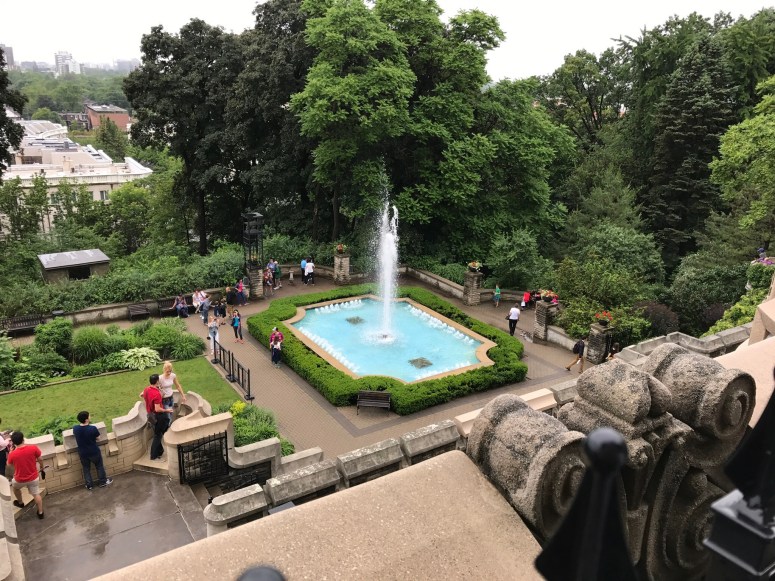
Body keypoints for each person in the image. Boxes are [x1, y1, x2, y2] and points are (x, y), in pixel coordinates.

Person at [7, 431, 45, 519]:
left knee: (15, 488)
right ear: (23, 439)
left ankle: (20, 503)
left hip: (19, 479)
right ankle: (40, 513)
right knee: (36, 494)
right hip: (33, 477)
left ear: (13, 443)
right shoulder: (33, 448)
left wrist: (10, 452)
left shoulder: (12, 454)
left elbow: (9, 465)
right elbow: (40, 459)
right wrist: (41, 467)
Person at [73, 411, 112, 490]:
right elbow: (98, 438)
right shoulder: (92, 428)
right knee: (99, 466)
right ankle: (103, 482)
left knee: (86, 469)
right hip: (94, 451)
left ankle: (89, 485)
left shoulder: (75, 428)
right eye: (89, 416)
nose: (90, 417)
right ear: (86, 419)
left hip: (83, 453)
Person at [141, 374, 173, 461]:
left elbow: (142, 395)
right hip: (158, 416)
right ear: (157, 381)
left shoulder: (146, 389)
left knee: (157, 433)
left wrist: (159, 389)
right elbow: (157, 409)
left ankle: (160, 451)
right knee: (158, 435)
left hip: (150, 415)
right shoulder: (156, 394)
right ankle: (153, 455)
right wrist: (167, 410)